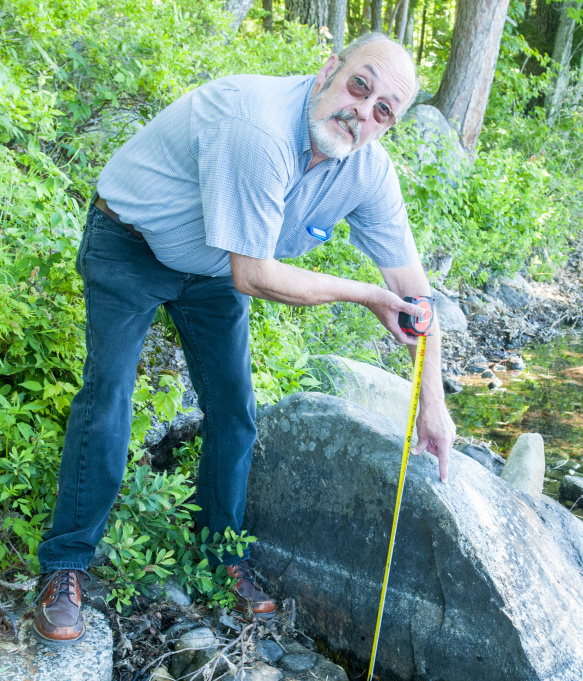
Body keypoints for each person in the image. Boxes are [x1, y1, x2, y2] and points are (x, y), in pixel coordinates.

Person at [33, 31, 456, 646]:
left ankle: (220, 554)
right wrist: (365, 295)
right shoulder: (258, 129)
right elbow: (253, 275)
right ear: (329, 70)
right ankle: (64, 567)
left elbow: (418, 297)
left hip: (209, 269)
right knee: (109, 400)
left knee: (235, 410)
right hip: (131, 242)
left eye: (383, 109)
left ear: (388, 127)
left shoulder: (367, 172)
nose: (363, 110)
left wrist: (433, 403)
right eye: (359, 85)